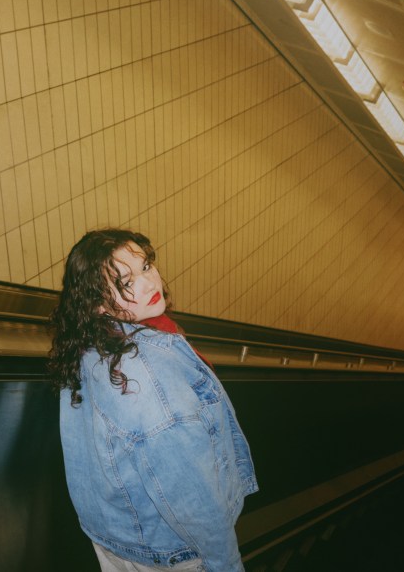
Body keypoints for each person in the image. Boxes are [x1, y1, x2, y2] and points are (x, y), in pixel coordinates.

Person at [49, 229, 257, 572]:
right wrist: (227, 564)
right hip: (170, 548)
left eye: (146, 266)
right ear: (98, 302)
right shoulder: (148, 381)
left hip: (118, 532)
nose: (149, 283)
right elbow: (191, 497)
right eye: (126, 281)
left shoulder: (90, 342)